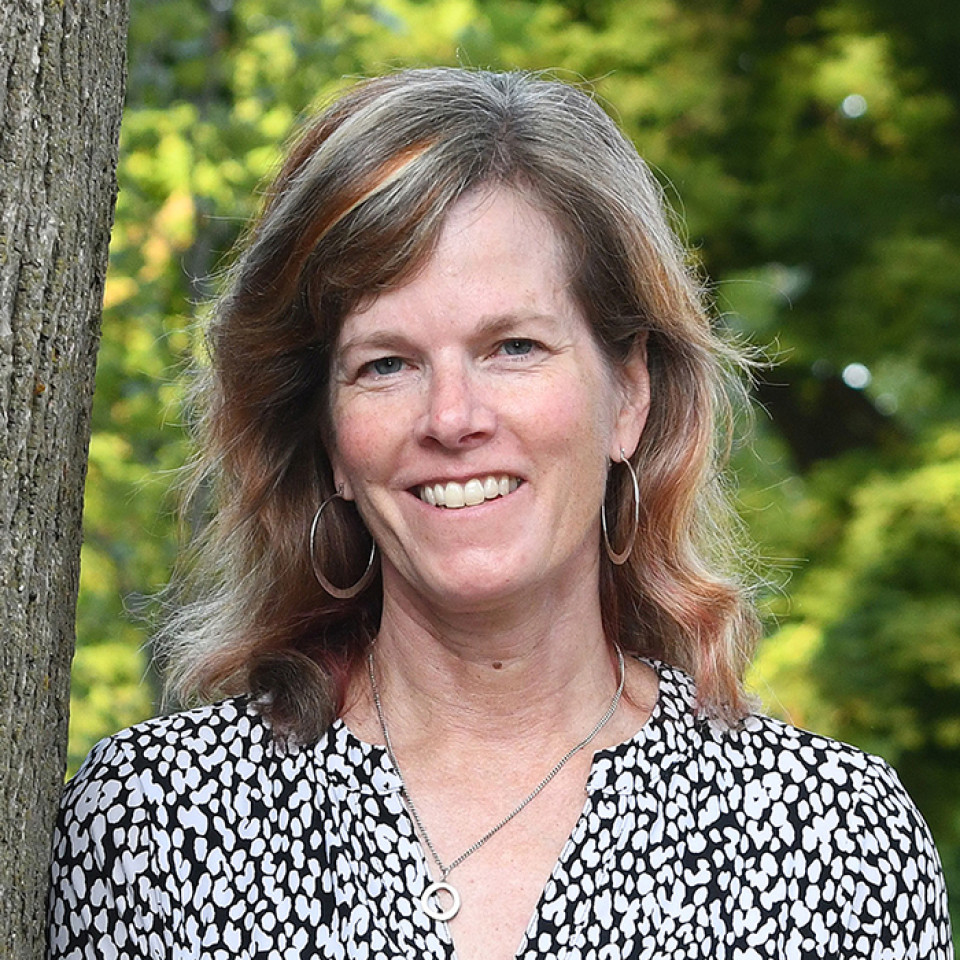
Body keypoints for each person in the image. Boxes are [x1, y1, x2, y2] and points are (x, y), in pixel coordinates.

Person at [47, 68, 952, 960]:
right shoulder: (153, 824)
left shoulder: (827, 843)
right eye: (385, 364)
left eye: (513, 347)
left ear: (629, 394)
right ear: (329, 438)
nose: (451, 419)